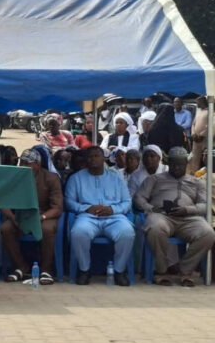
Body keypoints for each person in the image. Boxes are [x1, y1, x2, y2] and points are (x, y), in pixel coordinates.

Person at [134, 147, 215, 287]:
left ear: (186, 164)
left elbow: (205, 205)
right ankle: (162, 271)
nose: (177, 167)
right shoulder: (154, 179)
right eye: (173, 164)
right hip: (161, 216)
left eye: (180, 164)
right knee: (155, 228)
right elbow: (138, 198)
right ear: (168, 163)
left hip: (188, 218)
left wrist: (188, 210)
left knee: (208, 233)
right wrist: (150, 208)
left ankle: (185, 270)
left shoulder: (196, 182)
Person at [65, 146, 135, 286]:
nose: (93, 159)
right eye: (90, 157)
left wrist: (112, 209)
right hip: (87, 217)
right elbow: (69, 202)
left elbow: (127, 202)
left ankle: (119, 271)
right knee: (78, 232)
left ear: (104, 158)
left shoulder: (116, 178)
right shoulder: (76, 178)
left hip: (114, 217)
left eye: (96, 156)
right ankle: (84, 270)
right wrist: (86, 208)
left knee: (127, 233)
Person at [0, 149, 63, 285]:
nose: (23, 166)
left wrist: (42, 217)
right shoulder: (14, 178)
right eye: (21, 162)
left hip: (44, 215)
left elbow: (57, 207)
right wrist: (12, 217)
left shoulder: (51, 178)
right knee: (6, 229)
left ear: (37, 165)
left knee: (47, 229)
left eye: (27, 163)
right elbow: (2, 202)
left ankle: (46, 270)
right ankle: (20, 267)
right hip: (20, 215)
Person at [188, 96, 210, 174]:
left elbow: (211, 125)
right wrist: (193, 134)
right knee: (195, 158)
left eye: (198, 102)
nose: (197, 103)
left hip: (205, 139)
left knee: (206, 158)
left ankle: (205, 175)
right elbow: (193, 124)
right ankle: (193, 174)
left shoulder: (210, 111)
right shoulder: (198, 111)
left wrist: (202, 135)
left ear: (202, 102)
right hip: (196, 139)